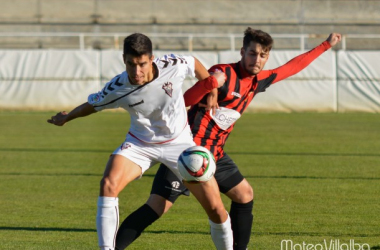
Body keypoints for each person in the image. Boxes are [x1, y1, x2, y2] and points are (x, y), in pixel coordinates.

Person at [115, 28, 342, 250]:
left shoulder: (257, 81)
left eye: (263, 55)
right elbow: (185, 99)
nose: (257, 59)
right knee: (157, 206)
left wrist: (325, 45)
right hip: (188, 152)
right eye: (253, 53)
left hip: (215, 154)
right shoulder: (222, 73)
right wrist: (210, 83)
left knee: (244, 194)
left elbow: (292, 67)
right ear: (242, 52)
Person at [47, 33, 234, 250]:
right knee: (108, 183)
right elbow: (92, 104)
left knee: (215, 208)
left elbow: (193, 62)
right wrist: (67, 117)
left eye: (142, 64)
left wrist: (211, 89)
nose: (137, 72)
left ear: (152, 58)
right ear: (124, 59)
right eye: (131, 64)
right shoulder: (118, 86)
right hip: (140, 144)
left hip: (180, 145)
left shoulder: (172, 65)